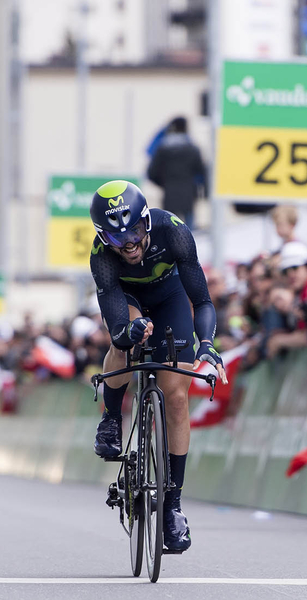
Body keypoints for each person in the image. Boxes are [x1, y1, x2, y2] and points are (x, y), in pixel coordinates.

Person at [88, 180, 228, 553]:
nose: (129, 244)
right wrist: (127, 332)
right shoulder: (101, 255)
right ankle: (112, 419)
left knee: (176, 396)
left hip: (171, 297)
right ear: (104, 237)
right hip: (128, 298)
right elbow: (116, 323)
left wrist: (208, 346)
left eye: (134, 231)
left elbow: (202, 299)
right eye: (118, 239)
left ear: (147, 222)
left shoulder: (174, 232)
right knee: (124, 345)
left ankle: (173, 506)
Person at [146, 117, 207, 226]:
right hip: (189, 195)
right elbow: (202, 172)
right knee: (190, 232)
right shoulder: (193, 149)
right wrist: (204, 191)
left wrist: (164, 184)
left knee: (169, 230)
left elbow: (151, 173)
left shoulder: (162, 149)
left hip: (169, 194)